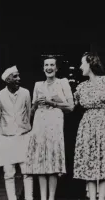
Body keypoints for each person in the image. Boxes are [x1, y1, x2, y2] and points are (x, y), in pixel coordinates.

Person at [25, 55, 74, 200]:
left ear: (57, 68)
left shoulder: (63, 83)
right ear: (43, 68)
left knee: (52, 160)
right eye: (46, 65)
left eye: (52, 65)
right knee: (41, 160)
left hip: (55, 124)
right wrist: (35, 104)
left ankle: (51, 198)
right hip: (40, 124)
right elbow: (32, 111)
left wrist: (52, 103)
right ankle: (42, 197)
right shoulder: (38, 85)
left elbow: (70, 107)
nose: (49, 68)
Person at [0, 66, 33, 200]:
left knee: (27, 172)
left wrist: (24, 129)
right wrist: (6, 131)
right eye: (15, 76)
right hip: (7, 138)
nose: (18, 79)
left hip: (23, 136)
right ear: (7, 79)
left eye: (19, 76)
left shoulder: (26, 93)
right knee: (8, 173)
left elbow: (28, 114)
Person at [73, 52, 105, 200]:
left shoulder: (104, 82)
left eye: (82, 63)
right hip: (87, 126)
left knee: (103, 162)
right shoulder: (81, 87)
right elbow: (71, 106)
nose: (80, 67)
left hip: (103, 124)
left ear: (90, 64)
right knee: (89, 163)